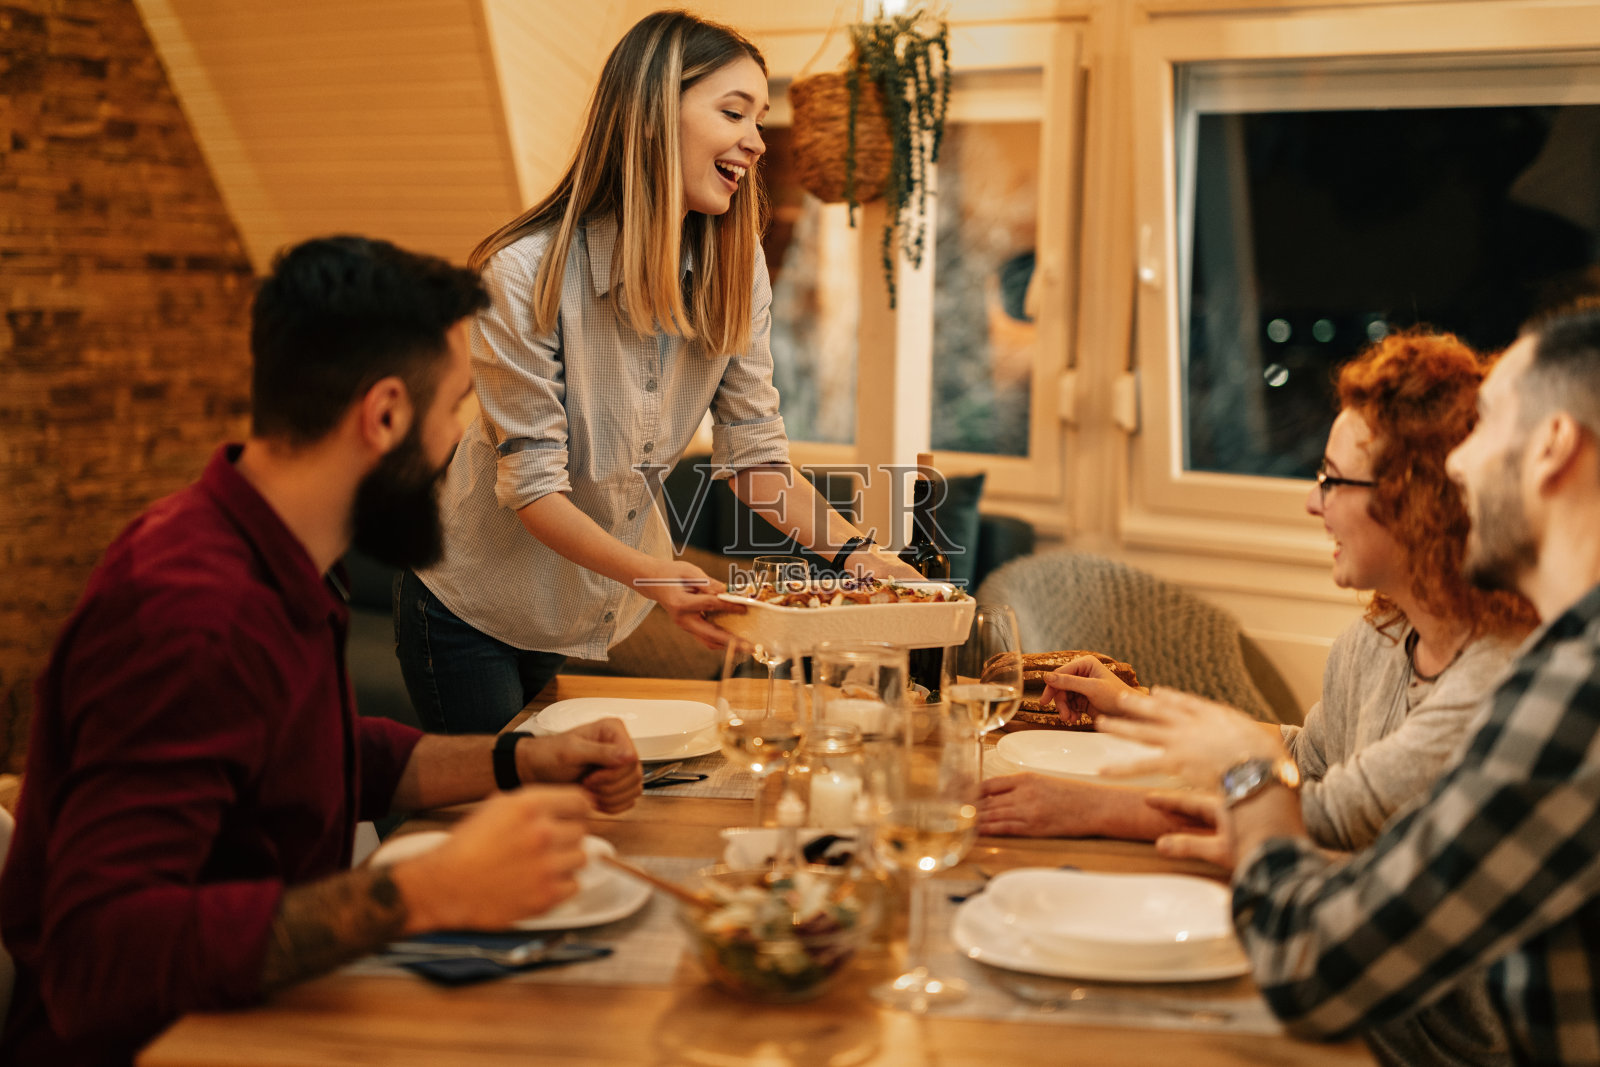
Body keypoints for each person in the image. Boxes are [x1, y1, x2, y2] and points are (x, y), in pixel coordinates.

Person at [0, 236, 644, 1065]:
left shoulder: (272, 552)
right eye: (455, 408)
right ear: (382, 415)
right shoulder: (192, 613)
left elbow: (330, 757)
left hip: (269, 1014)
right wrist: (425, 888)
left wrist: (524, 758)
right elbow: (100, 956)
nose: (459, 441)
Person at [1093, 306, 1600, 1065]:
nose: (1456, 469)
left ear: (1554, 446)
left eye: (1489, 425)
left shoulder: (1568, 695)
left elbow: (1310, 962)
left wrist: (1250, 771)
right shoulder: (1559, 660)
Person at [395, 10, 919, 735]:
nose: (758, 141)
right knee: (492, 819)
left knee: (556, 809)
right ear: (649, 118)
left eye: (761, 117)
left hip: (576, 605)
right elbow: (534, 488)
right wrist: (658, 577)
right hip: (468, 605)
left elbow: (755, 461)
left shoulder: (738, 276)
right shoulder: (522, 273)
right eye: (734, 111)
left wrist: (865, 558)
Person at [980, 332, 1536, 868]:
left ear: (1419, 504)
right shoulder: (1374, 640)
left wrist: (1094, 808)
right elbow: (1302, 762)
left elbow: (1331, 814)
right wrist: (1131, 706)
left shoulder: (1497, 680)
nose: (1314, 504)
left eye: (1334, 481)